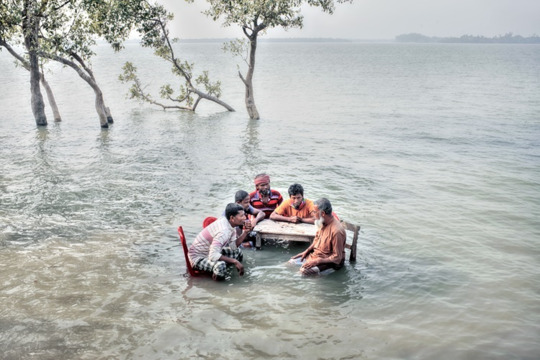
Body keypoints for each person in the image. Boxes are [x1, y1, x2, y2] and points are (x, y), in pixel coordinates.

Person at [188, 203, 251, 281]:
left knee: (238, 252)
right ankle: (218, 288)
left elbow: (233, 246)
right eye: (241, 216)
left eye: (244, 215)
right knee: (220, 266)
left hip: (209, 251)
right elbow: (213, 255)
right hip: (198, 258)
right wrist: (234, 261)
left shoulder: (230, 224)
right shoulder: (224, 231)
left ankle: (237, 274)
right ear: (232, 218)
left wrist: (245, 232)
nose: (245, 218)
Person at [289, 198, 346, 276]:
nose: (313, 214)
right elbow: (317, 239)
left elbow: (337, 258)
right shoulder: (322, 222)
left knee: (303, 273)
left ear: (322, 213)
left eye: (315, 212)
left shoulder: (336, 231)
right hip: (316, 256)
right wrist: (307, 251)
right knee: (291, 262)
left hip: (330, 263)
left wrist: (318, 261)